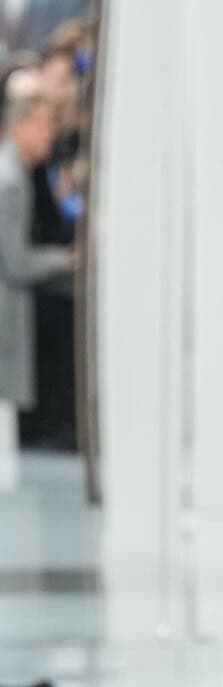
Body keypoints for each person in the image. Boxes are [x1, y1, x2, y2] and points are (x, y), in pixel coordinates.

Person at [0, 70, 76, 427]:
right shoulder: (9, 182)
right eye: (44, 124)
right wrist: (64, 259)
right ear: (21, 124)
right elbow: (15, 262)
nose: (51, 134)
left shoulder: (19, 175)